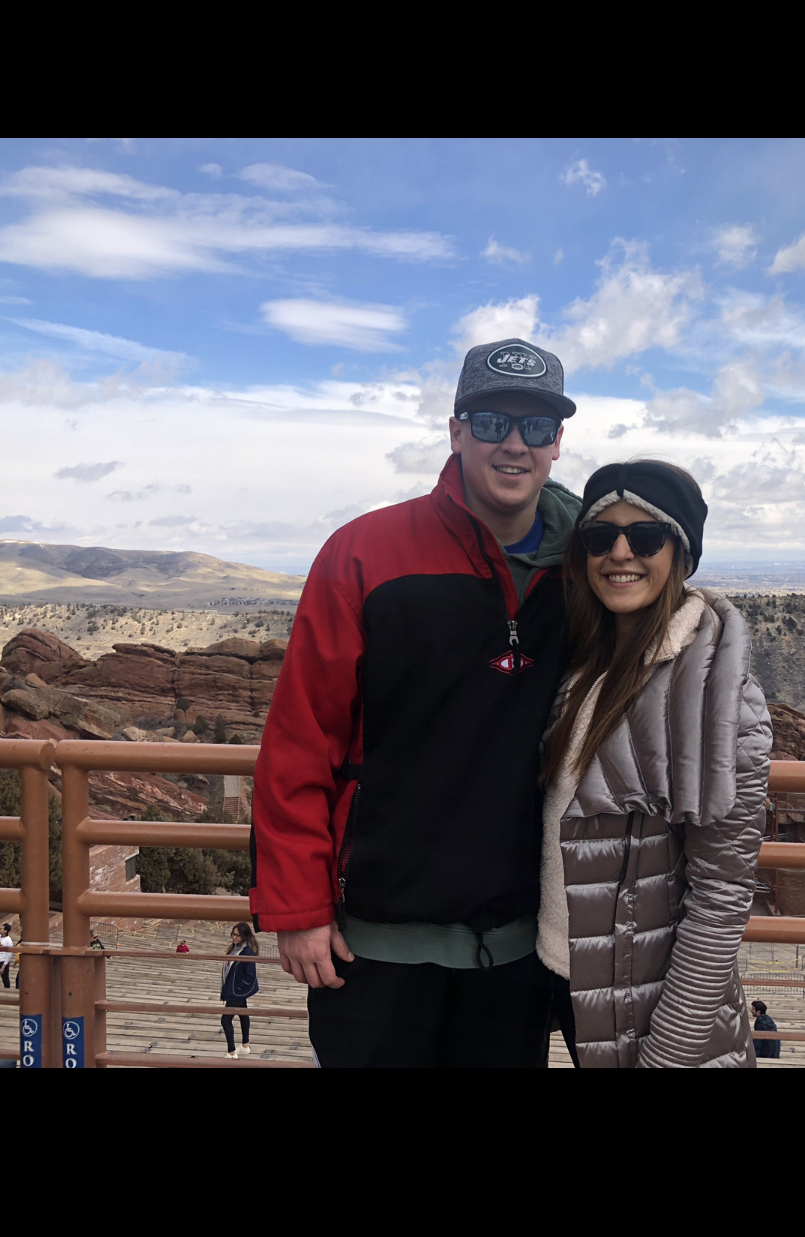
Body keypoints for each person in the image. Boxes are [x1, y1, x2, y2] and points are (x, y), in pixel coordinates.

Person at [252, 338, 582, 1068]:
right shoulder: (363, 553)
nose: (515, 444)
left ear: (557, 441)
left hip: (519, 945)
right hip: (372, 941)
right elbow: (302, 740)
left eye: (536, 426)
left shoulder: (589, 568)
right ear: (457, 430)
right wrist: (298, 909)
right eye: (492, 422)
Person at [537, 461, 772, 1067]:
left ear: (681, 553)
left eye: (645, 536)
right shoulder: (581, 665)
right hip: (563, 974)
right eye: (600, 536)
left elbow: (721, 896)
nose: (620, 553)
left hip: (649, 1007)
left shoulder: (716, 693)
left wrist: (668, 1054)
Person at [221, 923, 260, 1058]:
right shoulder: (234, 948)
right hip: (234, 989)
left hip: (236, 991)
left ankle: (231, 1052)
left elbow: (251, 975)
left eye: (238, 935)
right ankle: (245, 1046)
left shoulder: (247, 952)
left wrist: (238, 987)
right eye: (233, 934)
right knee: (243, 1014)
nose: (234, 937)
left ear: (245, 936)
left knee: (225, 1020)